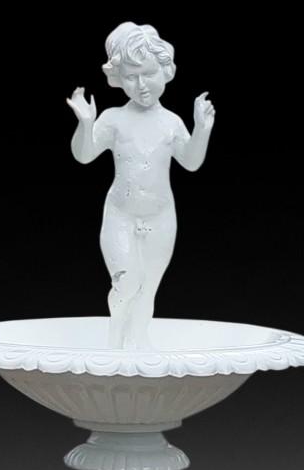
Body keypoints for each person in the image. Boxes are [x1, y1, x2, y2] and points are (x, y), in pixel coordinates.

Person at [67, 22, 215, 349]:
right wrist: (85, 123)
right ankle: (115, 341)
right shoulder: (113, 118)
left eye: (148, 74)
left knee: (148, 288)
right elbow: (84, 155)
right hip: (121, 216)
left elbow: (191, 162)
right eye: (131, 77)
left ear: (165, 71)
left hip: (160, 219)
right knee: (126, 283)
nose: (141, 85)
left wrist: (201, 129)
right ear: (118, 78)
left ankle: (139, 343)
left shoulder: (171, 122)